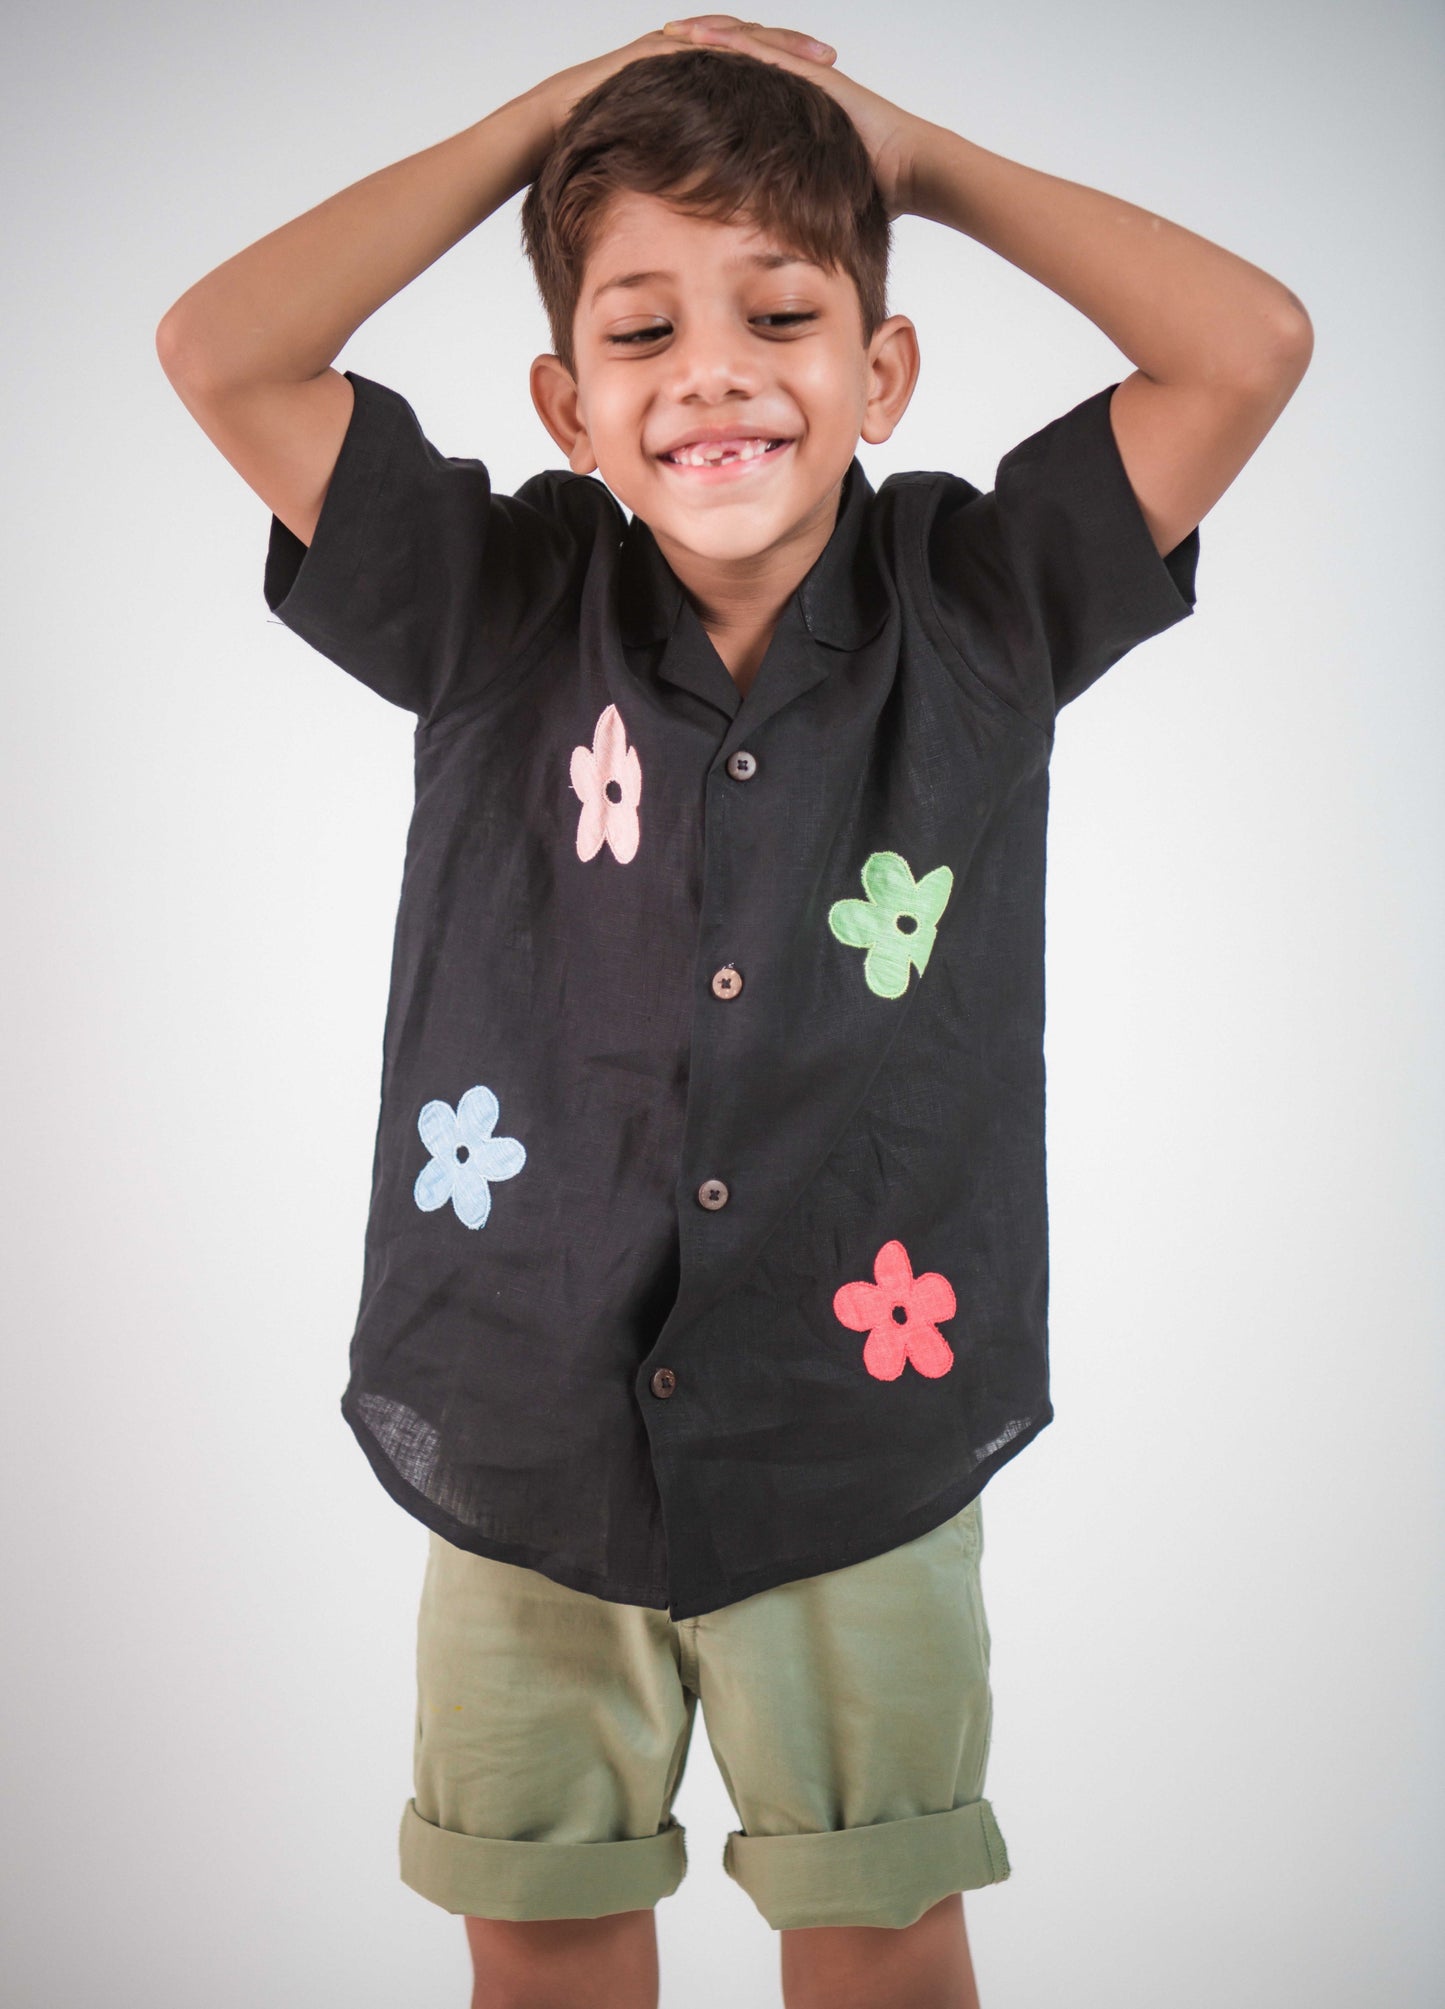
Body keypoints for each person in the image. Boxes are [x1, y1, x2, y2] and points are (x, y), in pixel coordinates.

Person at [155, 17, 1311, 2007]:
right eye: (638, 331)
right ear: (567, 406)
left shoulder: (984, 601)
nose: (712, 366)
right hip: (527, 1433)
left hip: (851, 1432)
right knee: (538, 1934)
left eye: (783, 309)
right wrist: (544, 128)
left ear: (883, 369)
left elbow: (1249, 345)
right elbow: (222, 349)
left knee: (876, 1927)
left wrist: (915, 156)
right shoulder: (495, 604)